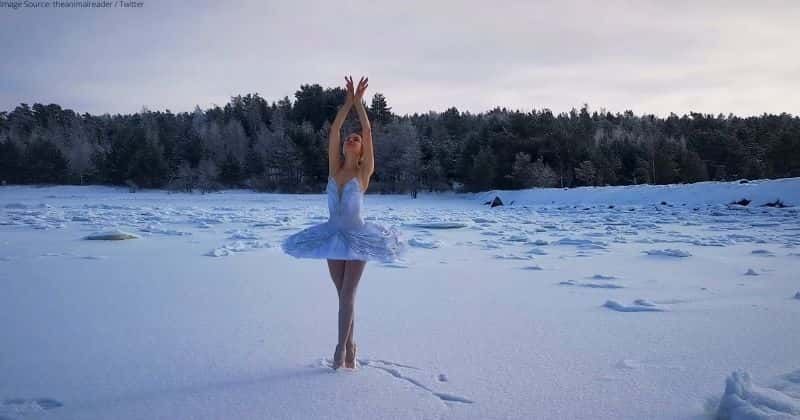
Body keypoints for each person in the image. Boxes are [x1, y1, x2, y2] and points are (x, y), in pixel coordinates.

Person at [281, 75, 407, 370]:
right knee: (342, 296)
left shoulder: (363, 174)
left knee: (348, 294)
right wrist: (346, 102)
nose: (351, 139)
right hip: (331, 236)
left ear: (362, 149)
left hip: (358, 237)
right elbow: (335, 129)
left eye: (356, 139)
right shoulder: (334, 170)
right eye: (348, 139)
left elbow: (366, 128)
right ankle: (351, 345)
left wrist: (360, 104)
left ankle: (339, 349)